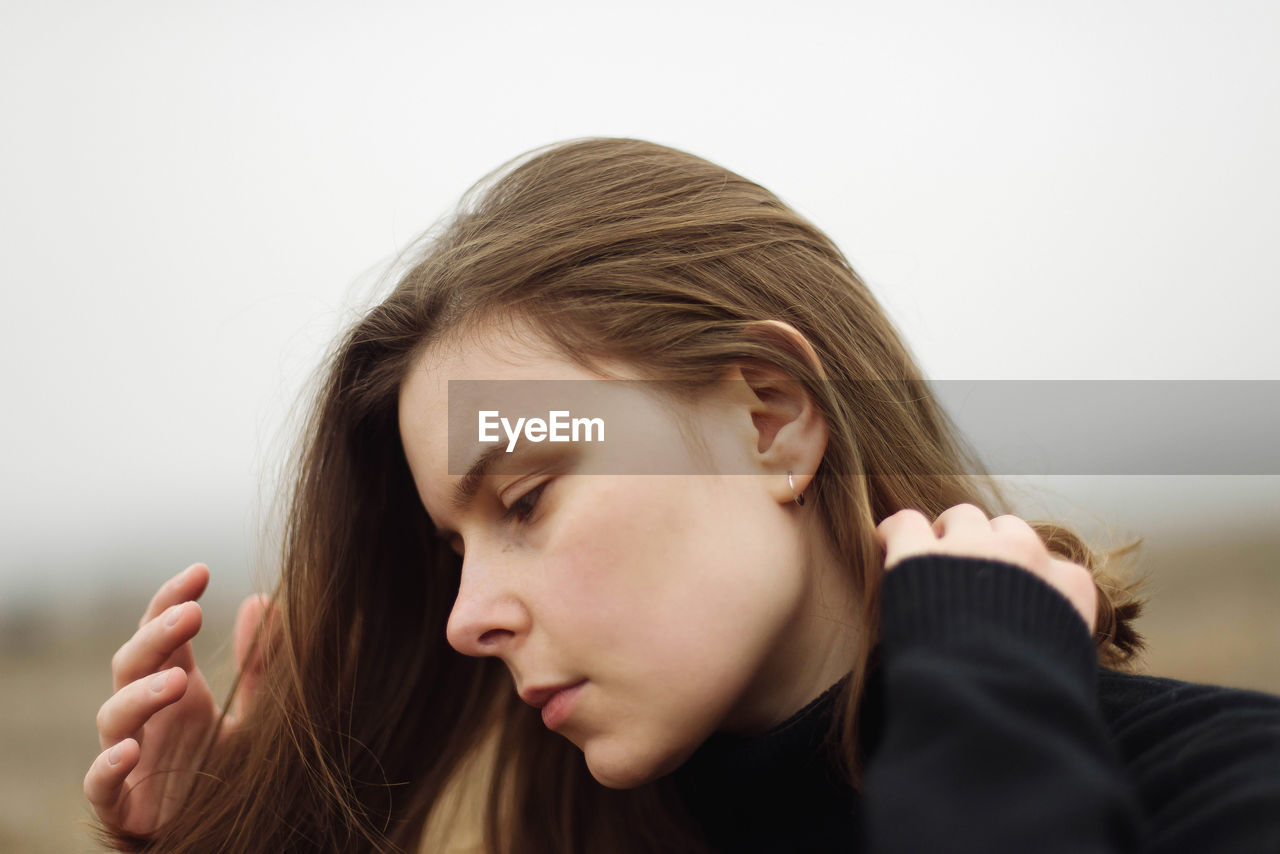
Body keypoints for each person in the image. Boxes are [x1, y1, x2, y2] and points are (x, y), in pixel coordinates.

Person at [84, 138, 1280, 853]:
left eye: (527, 498)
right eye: (452, 549)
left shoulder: (1225, 789)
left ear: (770, 420)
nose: (465, 617)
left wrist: (982, 721)